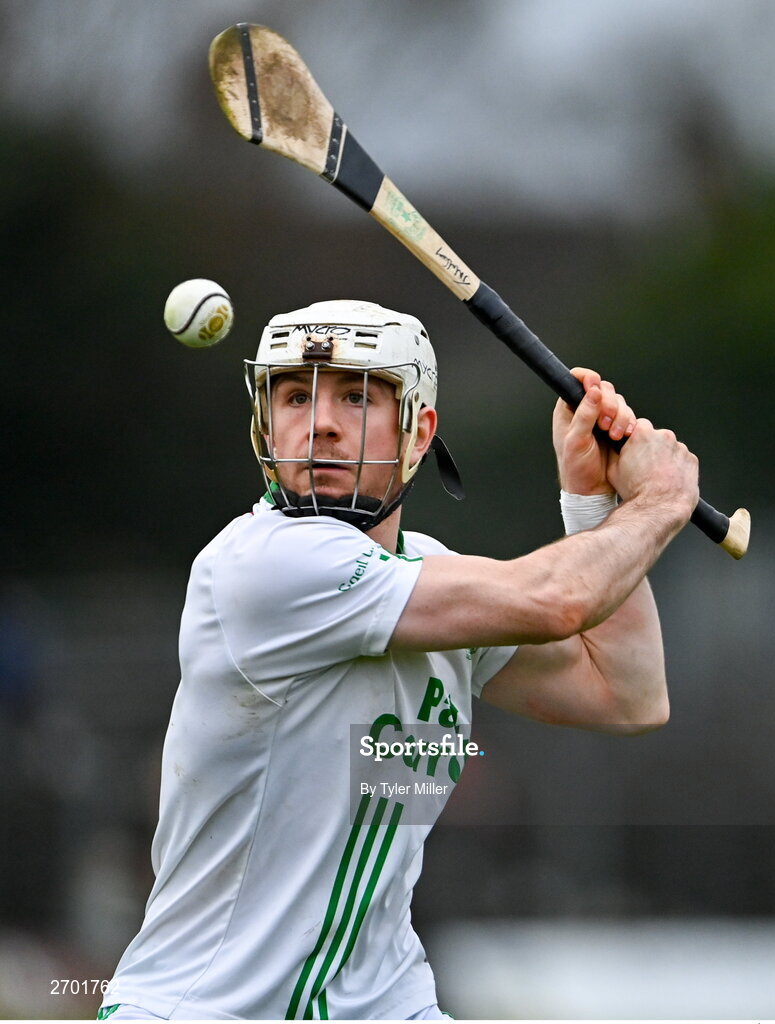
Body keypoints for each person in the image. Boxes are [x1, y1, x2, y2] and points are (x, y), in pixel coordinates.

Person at [98, 299, 698, 1021]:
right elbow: (558, 600)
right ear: (265, 423)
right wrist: (659, 501)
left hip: (386, 1004)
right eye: (294, 396)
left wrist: (595, 501)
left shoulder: (431, 580)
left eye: (355, 395)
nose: (319, 422)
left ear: (418, 430)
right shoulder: (264, 567)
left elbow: (626, 694)